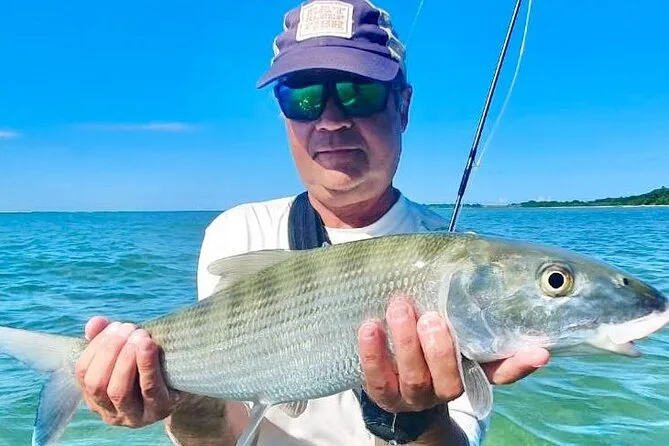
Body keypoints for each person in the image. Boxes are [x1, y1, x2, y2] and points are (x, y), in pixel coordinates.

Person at [75, 1, 550, 445]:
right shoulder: (236, 232)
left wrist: (418, 420)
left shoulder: (453, 262)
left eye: (358, 92)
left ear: (402, 106)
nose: (330, 120)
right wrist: (174, 396)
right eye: (302, 97)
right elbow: (221, 437)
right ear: (283, 115)